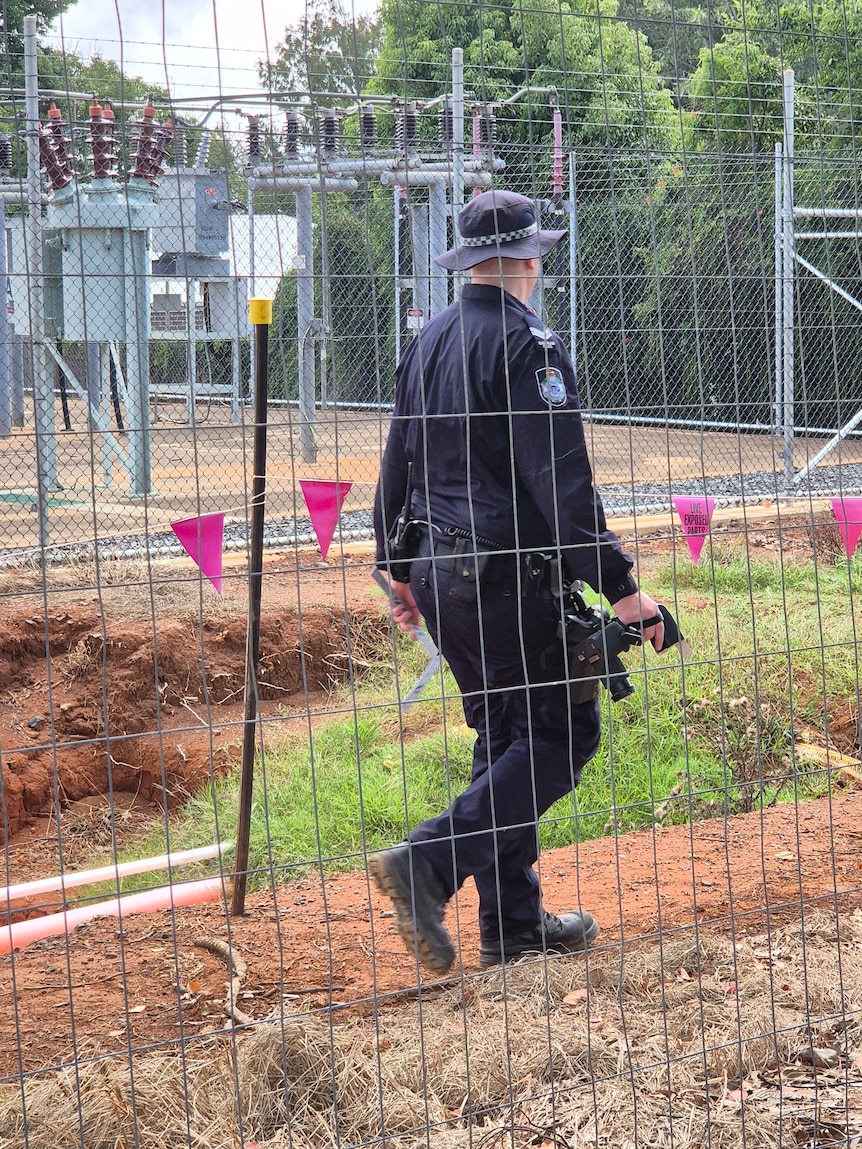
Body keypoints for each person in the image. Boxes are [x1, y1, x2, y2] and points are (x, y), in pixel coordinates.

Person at [370, 189, 665, 974]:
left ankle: (514, 923)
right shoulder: (529, 346)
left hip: (442, 577)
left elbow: (395, 459)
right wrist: (622, 587)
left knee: (506, 737)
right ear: (531, 259)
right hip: (506, 581)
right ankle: (428, 863)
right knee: (562, 736)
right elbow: (562, 482)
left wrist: (397, 570)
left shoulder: (429, 339)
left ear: (467, 261)